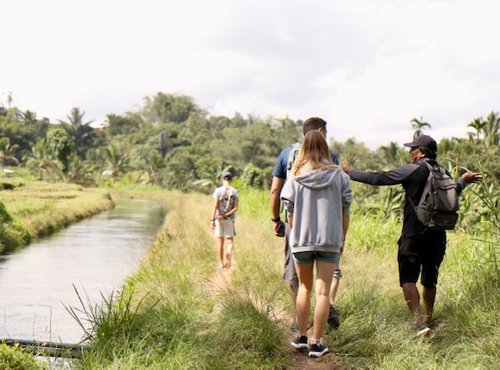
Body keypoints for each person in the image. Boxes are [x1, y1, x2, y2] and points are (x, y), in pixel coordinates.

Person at [342, 135, 482, 336]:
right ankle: (428, 318)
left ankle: (419, 324)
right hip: (438, 233)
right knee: (430, 278)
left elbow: (379, 178)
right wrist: (463, 181)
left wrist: (350, 172)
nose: (410, 153)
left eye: (413, 149)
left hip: (413, 233)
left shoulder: (414, 170)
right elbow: (454, 193)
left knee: (408, 277)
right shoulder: (444, 171)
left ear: (421, 152)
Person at [281, 130, 352, 357]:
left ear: (304, 147)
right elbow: (345, 211)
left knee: (304, 287)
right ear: (325, 147)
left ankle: (301, 336)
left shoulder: (295, 176)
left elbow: (289, 213)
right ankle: (317, 342)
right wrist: (341, 238)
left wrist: (295, 236)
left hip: (301, 240)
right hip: (330, 240)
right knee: (323, 293)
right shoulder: (340, 176)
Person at [270, 117, 343, 331]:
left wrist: (277, 220)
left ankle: (299, 322)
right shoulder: (332, 157)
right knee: (324, 282)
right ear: (321, 131)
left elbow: (276, 190)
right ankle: (322, 318)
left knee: (299, 279)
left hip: (296, 224)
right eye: (326, 133)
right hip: (327, 228)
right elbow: (340, 197)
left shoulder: (286, 155)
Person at [211, 171, 239, 269]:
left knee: (220, 241)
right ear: (231, 180)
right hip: (229, 219)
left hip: (219, 219)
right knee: (229, 240)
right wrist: (226, 215)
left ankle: (221, 263)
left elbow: (215, 206)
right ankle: (228, 253)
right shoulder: (235, 191)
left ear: (222, 179)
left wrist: (212, 220)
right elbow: (236, 208)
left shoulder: (218, 191)